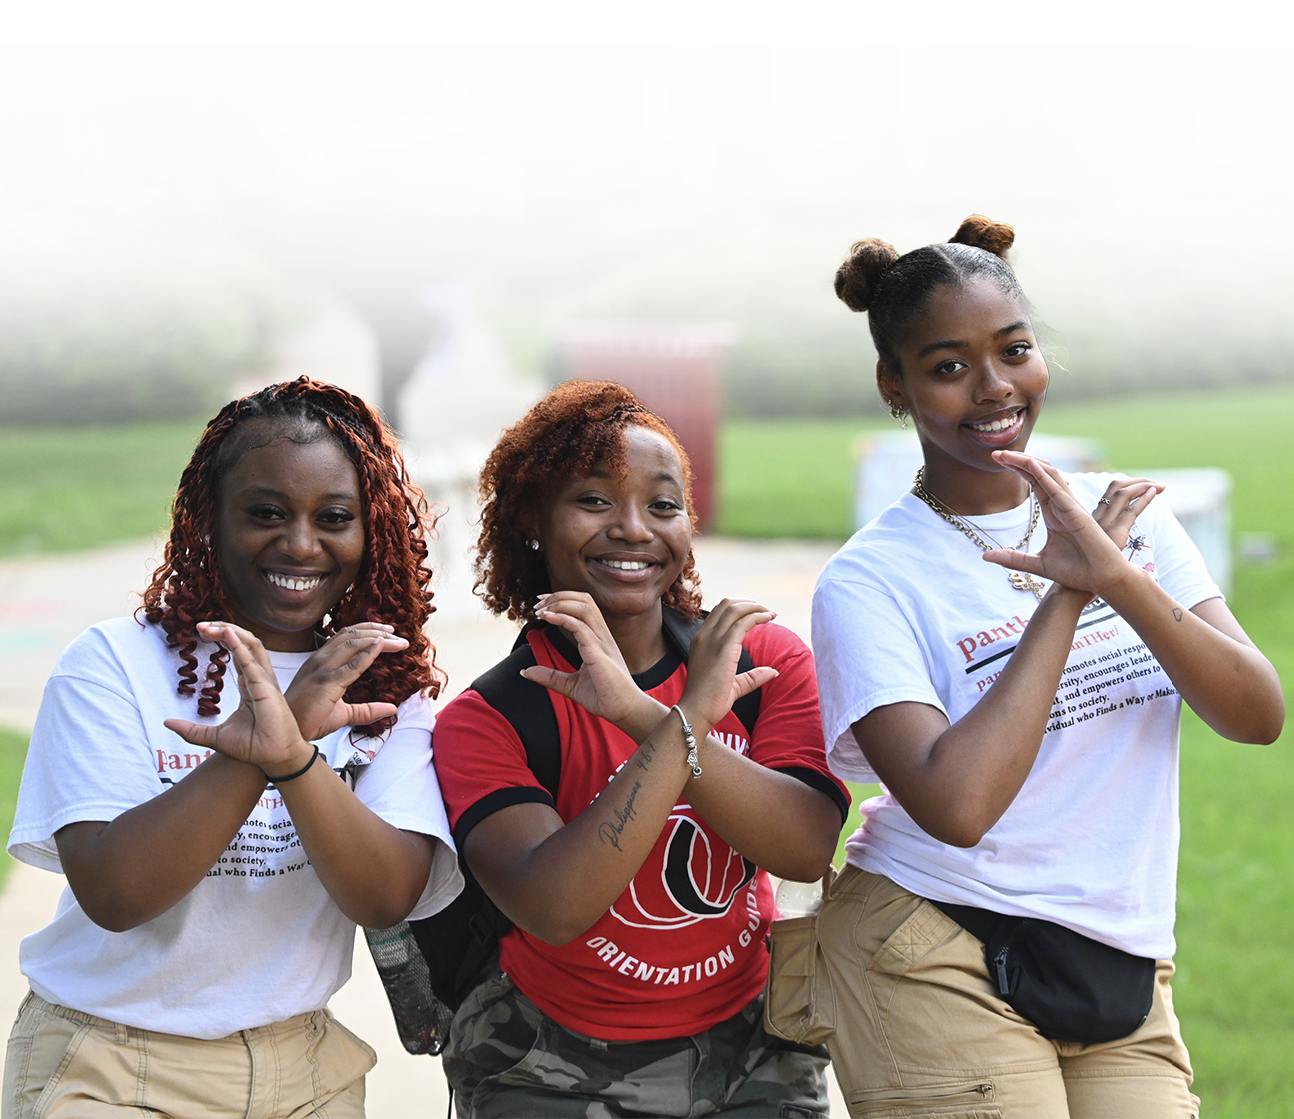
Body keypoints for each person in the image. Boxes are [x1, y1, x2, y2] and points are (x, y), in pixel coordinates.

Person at [809, 216, 1284, 1118]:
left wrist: (1113, 573)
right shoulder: (868, 580)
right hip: (932, 941)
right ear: (893, 385)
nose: (993, 388)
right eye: (948, 367)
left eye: (1014, 351)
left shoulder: (1133, 522)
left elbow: (1256, 712)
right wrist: (1067, 597)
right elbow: (958, 806)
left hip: (1118, 951)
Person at [3, 377, 462, 1119]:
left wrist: (295, 762)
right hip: (112, 1063)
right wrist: (251, 754)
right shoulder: (115, 664)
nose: (301, 543)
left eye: (334, 517)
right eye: (266, 514)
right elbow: (116, 896)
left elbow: (386, 898)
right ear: (208, 519)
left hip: (303, 1070)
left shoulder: (383, 691)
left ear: (369, 533)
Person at [432, 380, 851, 1119]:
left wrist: (642, 715)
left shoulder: (762, 662)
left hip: (753, 1049)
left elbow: (805, 846)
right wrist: (673, 721)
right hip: (550, 1064)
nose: (633, 529)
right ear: (533, 519)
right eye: (593, 501)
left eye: (662, 505)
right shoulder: (488, 718)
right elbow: (555, 906)